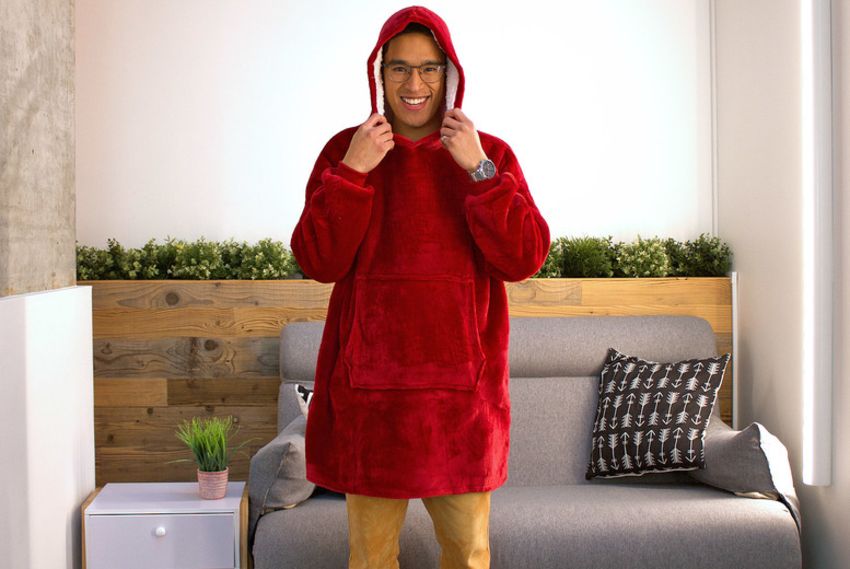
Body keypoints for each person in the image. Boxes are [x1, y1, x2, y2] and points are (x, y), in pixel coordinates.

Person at [289, 5, 551, 569]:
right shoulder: (345, 149)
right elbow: (317, 260)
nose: (415, 83)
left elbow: (524, 258)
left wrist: (479, 171)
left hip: (461, 405)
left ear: (448, 74)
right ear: (379, 74)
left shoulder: (488, 154)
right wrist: (353, 172)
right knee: (371, 559)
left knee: (467, 555)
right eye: (400, 68)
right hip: (370, 403)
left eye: (429, 68)